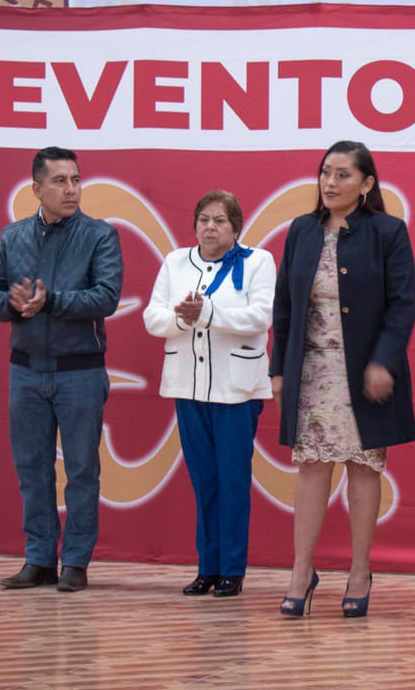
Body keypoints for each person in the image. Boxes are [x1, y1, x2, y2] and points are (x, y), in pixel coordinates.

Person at [270, 140, 415, 618]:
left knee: (362, 468)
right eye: (325, 173)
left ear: (367, 184)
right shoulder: (301, 231)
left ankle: (359, 571)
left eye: (343, 175)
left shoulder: (388, 232)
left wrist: (383, 362)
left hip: (362, 372)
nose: (330, 183)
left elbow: (402, 306)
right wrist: (277, 370)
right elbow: (284, 307)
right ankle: (301, 570)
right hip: (311, 370)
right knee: (311, 468)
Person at [0, 146, 123, 592]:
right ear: (36, 189)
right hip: (24, 370)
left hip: (79, 372)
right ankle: (39, 558)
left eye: (76, 180)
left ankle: (75, 562)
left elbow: (106, 297)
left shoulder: (100, 236)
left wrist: (52, 300)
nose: (71, 189)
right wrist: (13, 304)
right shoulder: (13, 236)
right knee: (32, 468)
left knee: (82, 470)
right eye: (60, 181)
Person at [143, 190, 275, 598]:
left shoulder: (258, 262)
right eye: (204, 219)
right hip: (188, 386)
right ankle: (207, 567)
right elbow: (153, 316)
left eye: (220, 221)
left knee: (233, 480)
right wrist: (184, 320)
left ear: (236, 227)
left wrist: (209, 314)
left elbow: (261, 316)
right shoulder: (175, 262)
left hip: (236, 388)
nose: (210, 227)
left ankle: (232, 570)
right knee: (204, 481)